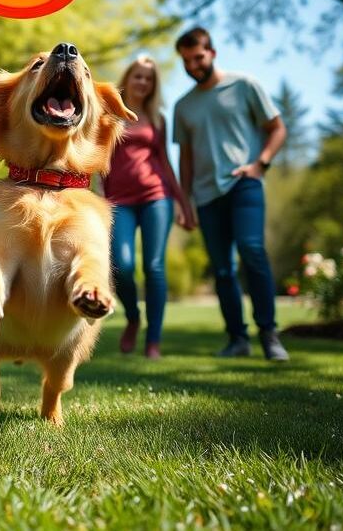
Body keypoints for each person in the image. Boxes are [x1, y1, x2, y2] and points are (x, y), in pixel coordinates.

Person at [172, 26, 290, 361]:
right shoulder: (184, 107)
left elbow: (277, 127)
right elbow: (186, 157)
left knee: (252, 250)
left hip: (244, 184)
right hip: (207, 196)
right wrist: (185, 201)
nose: (193, 65)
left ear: (212, 53)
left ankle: (269, 335)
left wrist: (261, 164)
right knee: (222, 269)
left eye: (198, 57)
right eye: (186, 61)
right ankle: (237, 339)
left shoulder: (244, 84)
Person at [104, 55, 193, 359]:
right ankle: (132, 317)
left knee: (154, 267)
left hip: (157, 196)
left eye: (148, 78)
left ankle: (153, 340)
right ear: (128, 78)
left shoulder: (158, 119)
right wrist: (95, 196)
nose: (142, 82)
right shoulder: (109, 113)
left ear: (153, 85)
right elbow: (97, 161)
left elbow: (165, 163)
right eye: (138, 76)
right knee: (123, 265)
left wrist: (184, 204)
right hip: (119, 201)